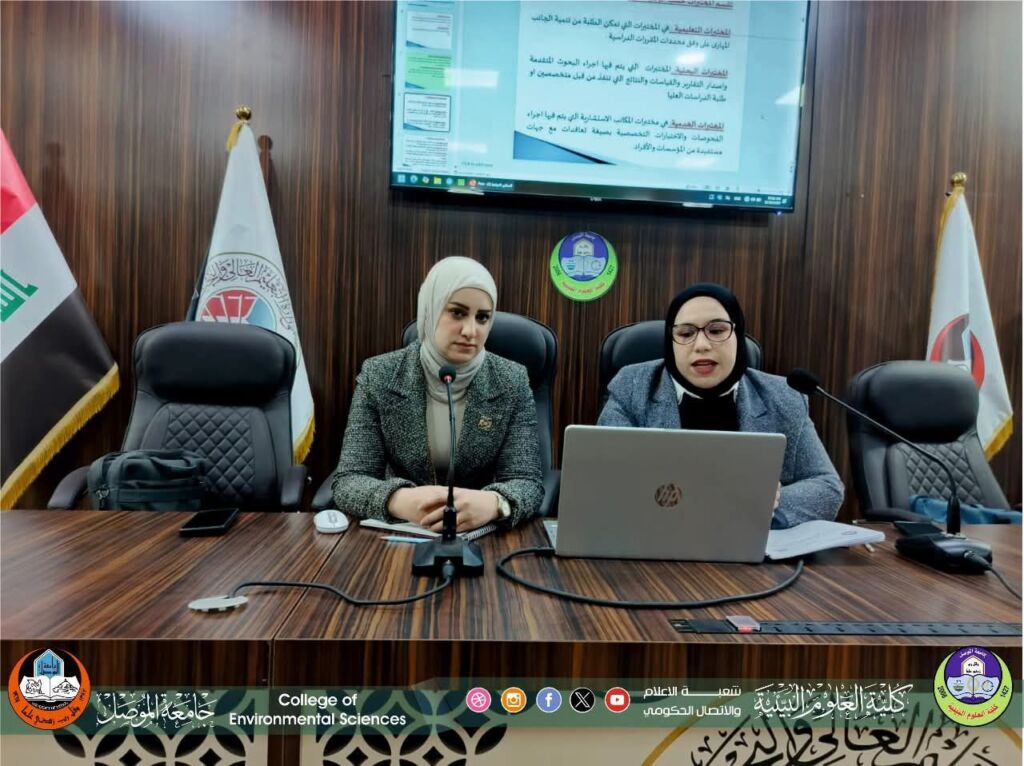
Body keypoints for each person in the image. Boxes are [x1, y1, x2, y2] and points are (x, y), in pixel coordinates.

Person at [598, 283, 843, 528]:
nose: (701, 345)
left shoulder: (783, 397)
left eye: (716, 331)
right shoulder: (632, 387)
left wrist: (768, 503)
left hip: (750, 545)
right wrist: (726, 502)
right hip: (655, 539)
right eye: (686, 334)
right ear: (670, 341)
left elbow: (827, 486)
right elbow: (605, 478)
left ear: (738, 335)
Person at [331, 256, 543, 531]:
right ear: (429, 310)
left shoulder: (512, 380)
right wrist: (397, 500)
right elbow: (349, 480)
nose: (471, 331)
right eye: (457, 313)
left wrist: (495, 503)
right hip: (401, 533)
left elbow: (527, 482)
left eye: (482, 318)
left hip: (482, 537)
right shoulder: (380, 375)